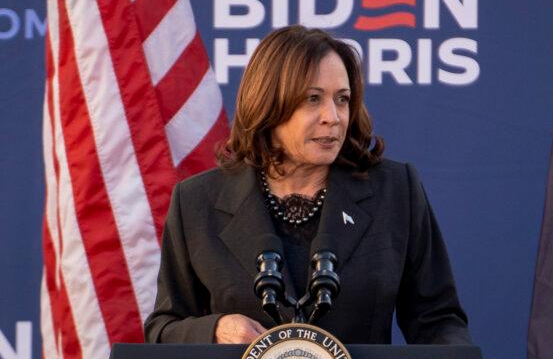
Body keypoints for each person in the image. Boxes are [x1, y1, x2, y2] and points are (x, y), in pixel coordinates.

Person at [144, 25, 471, 345]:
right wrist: (214, 330)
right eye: (313, 99)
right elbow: (163, 328)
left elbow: (438, 321)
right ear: (268, 105)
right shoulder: (196, 202)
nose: (333, 116)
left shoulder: (396, 190)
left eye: (342, 99)